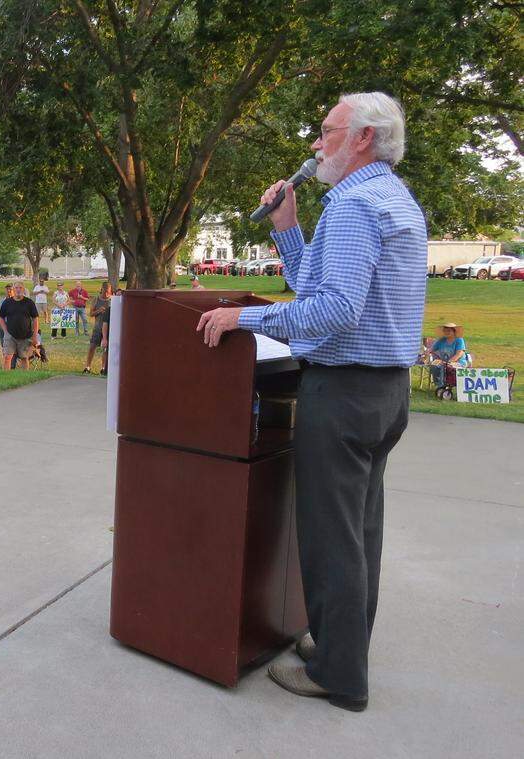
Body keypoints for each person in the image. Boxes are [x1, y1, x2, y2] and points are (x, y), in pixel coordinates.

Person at [197, 92, 427, 712]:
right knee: (359, 531)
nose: (316, 144)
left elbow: (333, 309)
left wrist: (243, 318)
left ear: (363, 139)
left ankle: (339, 675)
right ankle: (339, 644)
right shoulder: (392, 198)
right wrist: (287, 227)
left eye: (327, 132)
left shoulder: (354, 205)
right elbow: (318, 285)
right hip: (384, 395)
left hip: (345, 390)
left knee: (330, 536)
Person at [0, 283, 41, 370]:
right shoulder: (7, 302)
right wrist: (5, 331)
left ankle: (24, 379)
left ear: (23, 289)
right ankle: (6, 378)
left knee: (24, 358)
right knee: (7, 357)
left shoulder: (29, 303)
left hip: (25, 336)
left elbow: (35, 319)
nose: (18, 290)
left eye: (20, 288)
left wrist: (35, 335)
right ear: (13, 289)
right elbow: (0, 317)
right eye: (16, 288)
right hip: (10, 335)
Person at [428, 322, 470, 389]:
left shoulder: (459, 340)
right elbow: (431, 349)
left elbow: (459, 353)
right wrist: (425, 354)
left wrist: (450, 362)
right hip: (444, 362)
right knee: (434, 366)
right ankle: (439, 384)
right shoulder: (441, 340)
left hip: (458, 362)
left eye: (449, 331)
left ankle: (443, 386)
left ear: (454, 331)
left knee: (445, 367)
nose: (446, 332)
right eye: (445, 331)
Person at [83, 282, 113, 374]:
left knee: (105, 348)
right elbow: (91, 314)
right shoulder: (96, 299)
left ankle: (103, 368)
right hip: (97, 327)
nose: (106, 294)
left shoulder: (112, 300)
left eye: (108, 292)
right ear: (102, 290)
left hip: (108, 328)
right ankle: (88, 366)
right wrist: (99, 311)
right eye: (105, 292)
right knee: (92, 347)